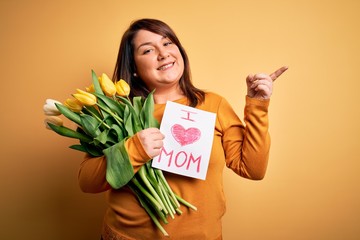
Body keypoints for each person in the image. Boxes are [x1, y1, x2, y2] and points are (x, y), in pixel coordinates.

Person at [78, 18, 288, 240]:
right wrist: (134, 149)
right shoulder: (119, 113)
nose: (163, 53)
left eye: (168, 43)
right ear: (134, 68)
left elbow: (253, 169)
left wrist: (258, 106)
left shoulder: (213, 104)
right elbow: (87, 182)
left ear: (180, 51)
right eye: (148, 50)